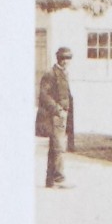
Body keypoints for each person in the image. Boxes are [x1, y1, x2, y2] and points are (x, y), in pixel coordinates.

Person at [36, 46, 75, 189]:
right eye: (64, 58)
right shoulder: (51, 74)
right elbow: (44, 95)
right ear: (59, 59)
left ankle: (50, 180)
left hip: (63, 115)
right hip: (55, 116)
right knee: (58, 146)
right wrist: (57, 109)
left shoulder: (64, 73)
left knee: (54, 147)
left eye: (68, 58)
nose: (66, 61)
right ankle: (59, 178)